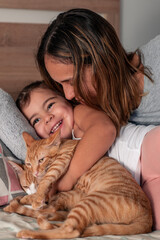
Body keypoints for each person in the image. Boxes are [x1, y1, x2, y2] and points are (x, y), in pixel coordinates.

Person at [17, 81, 159, 230]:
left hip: (145, 147)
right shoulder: (54, 157)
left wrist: (66, 180)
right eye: (36, 120)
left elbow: (104, 129)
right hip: (140, 182)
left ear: (66, 99)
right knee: (155, 221)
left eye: (50, 105)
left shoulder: (79, 115)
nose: (47, 117)